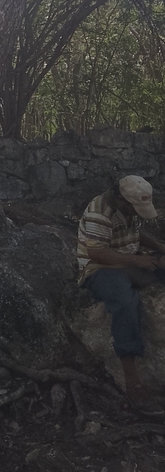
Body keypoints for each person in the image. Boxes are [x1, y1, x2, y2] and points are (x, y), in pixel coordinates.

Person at [77, 174, 165, 413]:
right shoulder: (99, 212)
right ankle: (132, 381)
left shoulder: (129, 209)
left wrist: (158, 247)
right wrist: (137, 260)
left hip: (129, 261)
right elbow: (96, 254)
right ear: (119, 198)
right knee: (126, 302)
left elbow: (135, 235)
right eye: (134, 208)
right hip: (100, 269)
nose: (137, 213)